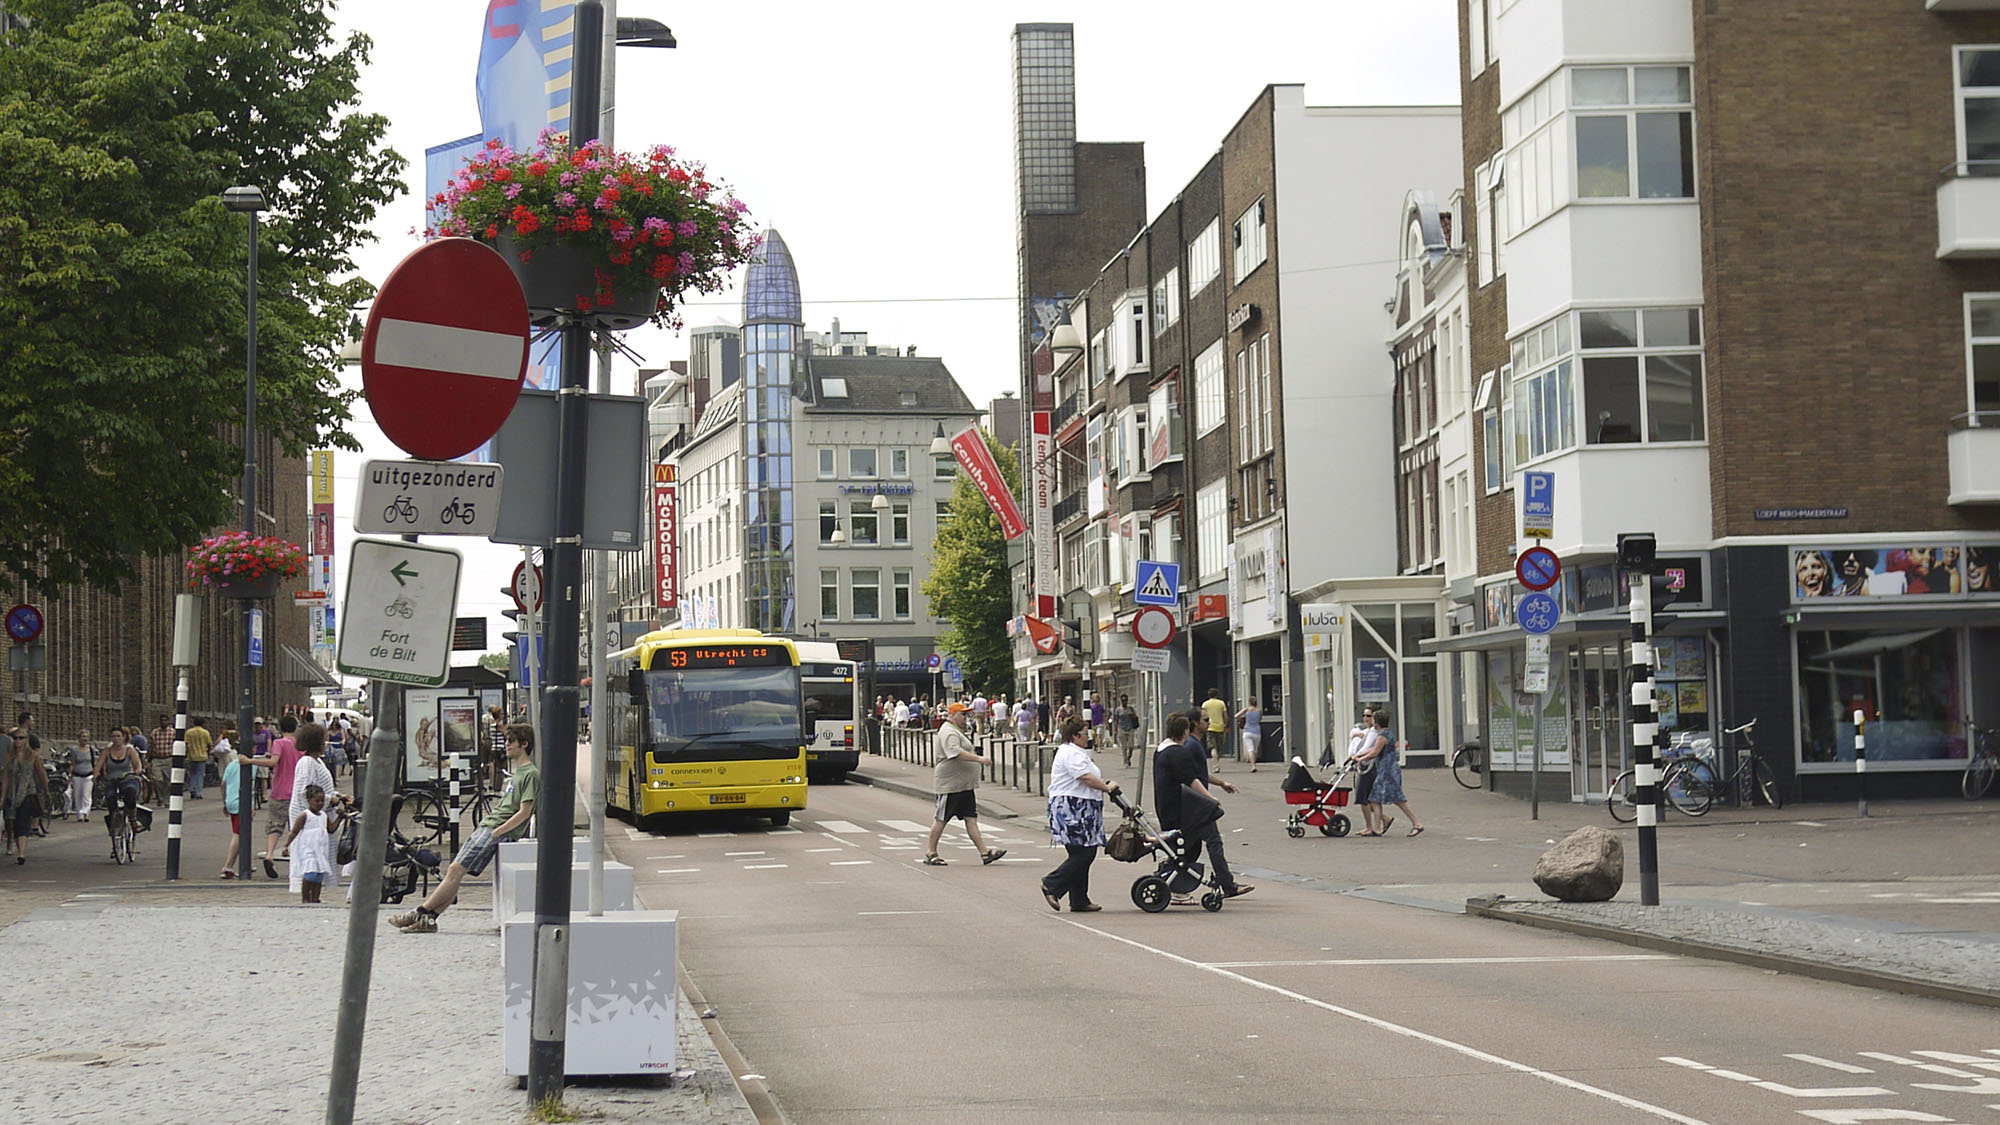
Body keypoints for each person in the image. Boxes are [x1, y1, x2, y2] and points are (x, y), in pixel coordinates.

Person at [391, 724, 539, 933]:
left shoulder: (530, 774)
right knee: (456, 872)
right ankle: (429, 919)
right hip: (489, 826)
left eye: (510, 742)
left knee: (454, 870)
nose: (506, 745)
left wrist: (499, 831)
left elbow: (525, 811)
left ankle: (420, 912)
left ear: (524, 744)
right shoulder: (519, 773)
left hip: (494, 829)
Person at [1152, 713, 1251, 902]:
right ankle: (1226, 885)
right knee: (1213, 841)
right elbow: (1192, 780)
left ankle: (1172, 880)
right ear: (1185, 731)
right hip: (1185, 809)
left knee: (1190, 847)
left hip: (1170, 806)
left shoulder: (1161, 749)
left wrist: (1220, 784)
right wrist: (1210, 799)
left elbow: (1196, 775)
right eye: (1205, 720)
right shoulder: (1178, 752)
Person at [1041, 718, 1118, 912]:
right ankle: (1052, 884)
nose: (1088, 737)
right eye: (1085, 733)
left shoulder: (1075, 752)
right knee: (1085, 852)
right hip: (1073, 807)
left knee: (1080, 851)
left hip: (1081, 806)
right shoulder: (1070, 753)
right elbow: (1084, 777)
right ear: (1075, 735)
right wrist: (1106, 788)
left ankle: (1079, 899)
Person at [921, 702, 1005, 867]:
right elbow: (954, 752)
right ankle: (931, 852)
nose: (966, 718)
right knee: (941, 819)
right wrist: (979, 759)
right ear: (952, 715)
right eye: (963, 714)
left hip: (963, 785)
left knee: (971, 818)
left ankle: (984, 852)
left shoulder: (955, 731)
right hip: (950, 785)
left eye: (966, 714)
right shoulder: (948, 732)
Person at [242, 714, 302, 879]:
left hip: (279, 791)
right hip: (297, 793)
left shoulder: (279, 743)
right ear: (295, 728)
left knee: (274, 826)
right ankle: (297, 863)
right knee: (296, 828)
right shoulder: (300, 745)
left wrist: (250, 761)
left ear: (281, 728)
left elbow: (273, 762)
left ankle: (269, 854)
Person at [1351, 708, 1423, 838]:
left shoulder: (1382, 736)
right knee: (1374, 798)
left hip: (1388, 771)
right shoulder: (1386, 733)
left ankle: (1417, 824)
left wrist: (1359, 759)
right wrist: (1359, 755)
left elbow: (1374, 752)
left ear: (1376, 722)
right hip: (1385, 770)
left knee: (1398, 799)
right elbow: (1372, 749)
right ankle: (1377, 829)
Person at [284, 784, 343, 904]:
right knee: (310, 873)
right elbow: (294, 831)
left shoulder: (323, 815)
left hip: (320, 849)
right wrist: (286, 845)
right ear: (309, 800)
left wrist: (340, 818)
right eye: (317, 801)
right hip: (308, 848)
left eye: (322, 801)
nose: (320, 804)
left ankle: (315, 898)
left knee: (319, 875)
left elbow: (331, 829)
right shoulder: (304, 815)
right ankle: (305, 897)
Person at [1, 729, 50, 865]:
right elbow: (5, 778)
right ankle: (16, 845)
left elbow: (41, 774)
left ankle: (21, 853)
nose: (18, 741)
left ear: (26, 740)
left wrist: (45, 790)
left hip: (28, 792)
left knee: (23, 821)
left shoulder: (33, 756)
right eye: (15, 738)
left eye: (21, 738)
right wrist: (3, 797)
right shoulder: (9, 756)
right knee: (13, 823)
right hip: (12, 793)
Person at [94, 728, 145, 856]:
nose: (116, 739)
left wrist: (137, 771)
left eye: (118, 736)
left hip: (126, 779)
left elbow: (137, 765)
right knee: (111, 802)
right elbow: (98, 764)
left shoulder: (129, 751)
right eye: (113, 736)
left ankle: (133, 820)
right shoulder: (106, 751)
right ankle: (114, 838)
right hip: (111, 780)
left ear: (123, 738)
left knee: (130, 794)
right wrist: (95, 775)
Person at [219, 733, 246, 879]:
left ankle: (244, 862)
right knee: (238, 834)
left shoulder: (231, 765)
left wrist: (224, 802)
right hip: (242, 802)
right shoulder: (251, 766)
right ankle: (227, 866)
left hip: (230, 801)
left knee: (241, 833)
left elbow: (223, 784)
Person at [66, 729, 95, 821]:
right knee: (78, 795)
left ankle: (85, 812)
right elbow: (72, 763)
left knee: (87, 794)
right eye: (83, 736)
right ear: (79, 738)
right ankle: (79, 814)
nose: (85, 738)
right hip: (77, 775)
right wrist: (69, 775)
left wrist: (96, 773)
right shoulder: (74, 750)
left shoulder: (91, 749)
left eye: (86, 736)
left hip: (88, 774)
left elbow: (94, 762)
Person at [1200, 689, 1230, 773]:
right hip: (1220, 727)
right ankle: (1217, 763)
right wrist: (1225, 724)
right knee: (1219, 748)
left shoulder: (1205, 704)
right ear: (1217, 695)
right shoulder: (1221, 703)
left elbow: (1202, 716)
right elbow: (1225, 715)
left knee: (1213, 747)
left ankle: (1216, 765)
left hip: (1210, 727)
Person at [183, 717, 212, 799]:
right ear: (203, 724)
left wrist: (186, 753)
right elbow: (209, 744)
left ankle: (192, 789)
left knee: (192, 774)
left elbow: (186, 744)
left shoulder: (188, 732)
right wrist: (208, 753)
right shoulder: (205, 732)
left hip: (191, 756)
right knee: (200, 774)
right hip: (202, 756)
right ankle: (198, 792)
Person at [1236, 698, 1263, 773]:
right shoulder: (1259, 711)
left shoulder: (1246, 709)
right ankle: (1254, 764)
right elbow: (1260, 719)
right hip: (1256, 732)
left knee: (1250, 749)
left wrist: (1242, 718)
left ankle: (1253, 766)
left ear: (1249, 702)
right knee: (1255, 750)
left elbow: (1236, 716)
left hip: (1247, 731)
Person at [1113, 694, 1140, 767]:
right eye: (1123, 700)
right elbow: (1116, 720)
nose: (1124, 702)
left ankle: (1129, 757)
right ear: (1121, 701)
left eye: (1125, 700)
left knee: (1131, 746)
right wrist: (1115, 729)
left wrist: (1132, 715)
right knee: (1124, 747)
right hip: (1121, 729)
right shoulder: (1118, 710)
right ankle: (1125, 761)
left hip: (1130, 728)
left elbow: (1135, 717)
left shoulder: (1130, 708)